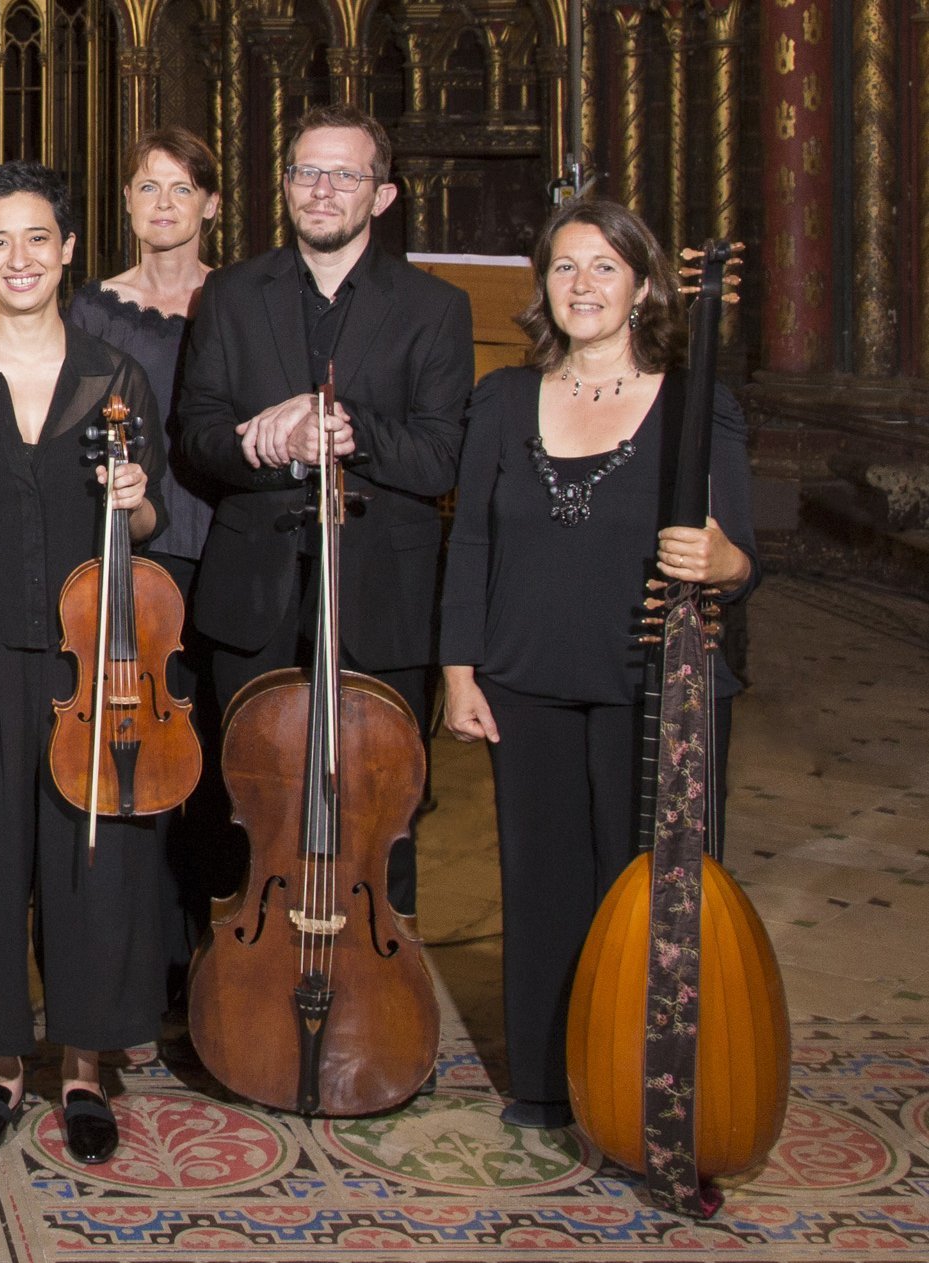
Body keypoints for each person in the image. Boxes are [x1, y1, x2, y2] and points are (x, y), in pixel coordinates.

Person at [438, 198, 756, 1131]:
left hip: (651, 682)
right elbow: (472, 548)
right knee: (539, 885)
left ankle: (643, 1089)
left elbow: (736, 559)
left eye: (603, 267)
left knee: (648, 891)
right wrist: (458, 670)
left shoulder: (697, 403)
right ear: (542, 286)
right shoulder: (500, 398)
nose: (581, 285)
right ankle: (545, 1082)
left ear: (644, 285)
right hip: (523, 675)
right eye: (564, 267)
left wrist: (724, 562)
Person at [0, 162, 170, 1168]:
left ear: (64, 252)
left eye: (37, 240)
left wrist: (134, 491)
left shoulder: (115, 377)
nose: (18, 259)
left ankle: (85, 1066)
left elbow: (146, 519)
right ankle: (4, 1066)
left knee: (92, 861)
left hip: (87, 665)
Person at [173, 104, 474, 915]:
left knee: (383, 813)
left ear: (381, 195)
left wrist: (339, 430)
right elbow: (194, 439)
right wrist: (269, 446)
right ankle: (242, 1002)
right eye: (306, 170)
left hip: (383, 599)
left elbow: (439, 456)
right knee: (245, 814)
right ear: (284, 185)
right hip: (252, 598)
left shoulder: (434, 308)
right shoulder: (230, 295)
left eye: (344, 174)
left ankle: (380, 1006)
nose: (321, 188)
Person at [64, 127, 228, 996]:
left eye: (179, 189)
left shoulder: (237, 299)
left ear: (209, 203)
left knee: (211, 757)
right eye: (145, 188)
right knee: (138, 752)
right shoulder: (90, 307)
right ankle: (149, 954)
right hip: (129, 551)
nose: (162, 204)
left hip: (219, 545)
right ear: (125, 203)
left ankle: (218, 950)